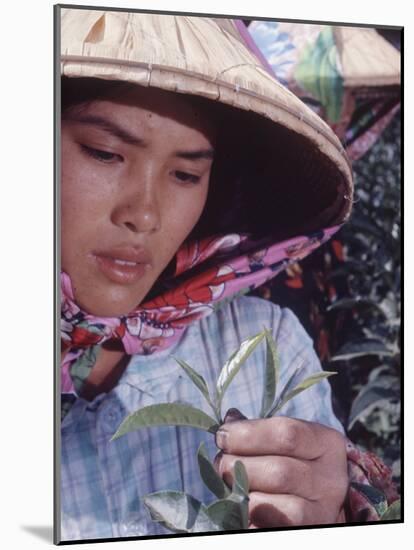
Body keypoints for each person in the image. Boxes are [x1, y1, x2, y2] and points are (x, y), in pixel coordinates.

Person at [58, 7, 398, 542]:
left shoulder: (263, 343)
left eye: (187, 173)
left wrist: (333, 511)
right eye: (105, 153)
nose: (144, 214)